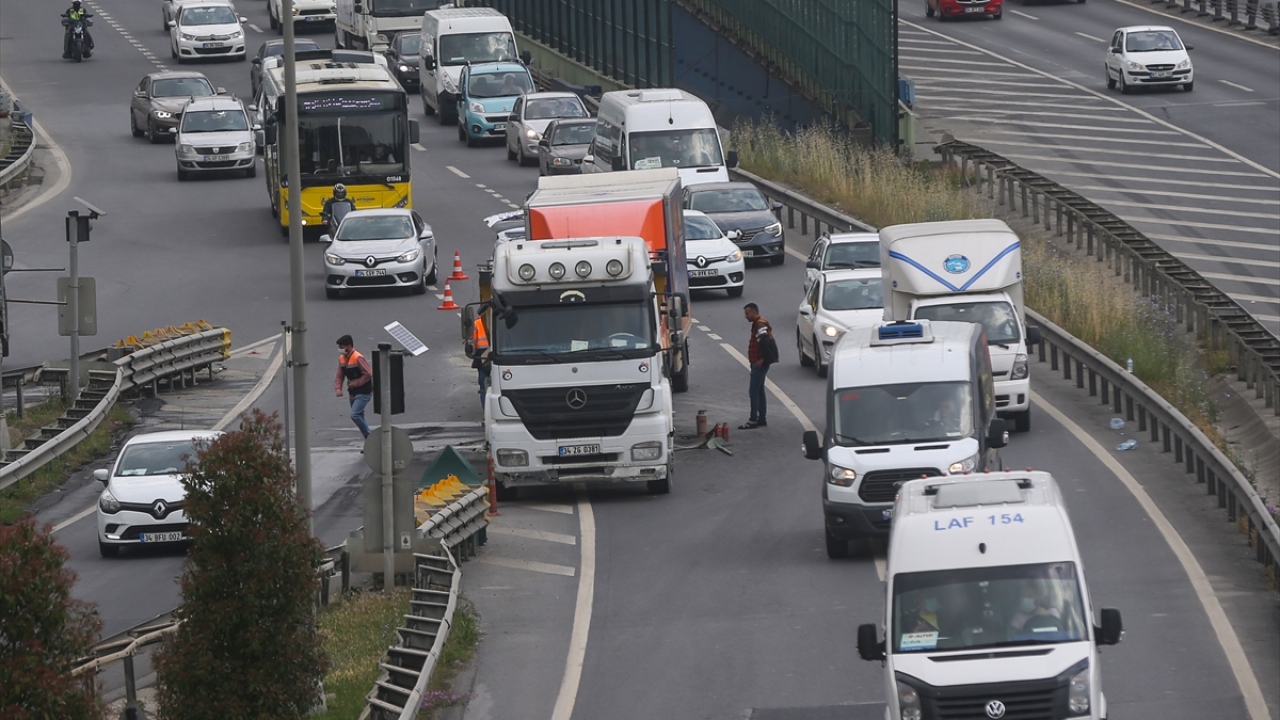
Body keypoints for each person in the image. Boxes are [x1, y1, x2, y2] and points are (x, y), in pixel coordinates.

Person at [741, 303, 776, 429]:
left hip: (759, 363)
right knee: (760, 390)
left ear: (753, 312)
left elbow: (765, 342)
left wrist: (762, 359)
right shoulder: (758, 323)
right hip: (758, 362)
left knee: (754, 390)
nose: (746, 316)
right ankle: (761, 418)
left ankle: (753, 419)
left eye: (747, 313)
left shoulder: (760, 324)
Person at [334, 335, 374, 441]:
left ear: (349, 346)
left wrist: (356, 383)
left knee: (355, 415)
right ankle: (370, 443)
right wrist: (338, 388)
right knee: (360, 416)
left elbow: (368, 373)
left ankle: (370, 437)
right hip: (353, 393)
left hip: (364, 392)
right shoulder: (342, 358)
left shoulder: (358, 357)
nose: (340, 350)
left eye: (342, 347)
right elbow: (339, 375)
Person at [471, 314, 491, 411]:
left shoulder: (477, 323)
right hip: (499, 353)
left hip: (482, 357)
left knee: (483, 386)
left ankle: (486, 411)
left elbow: (472, 343)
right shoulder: (501, 319)